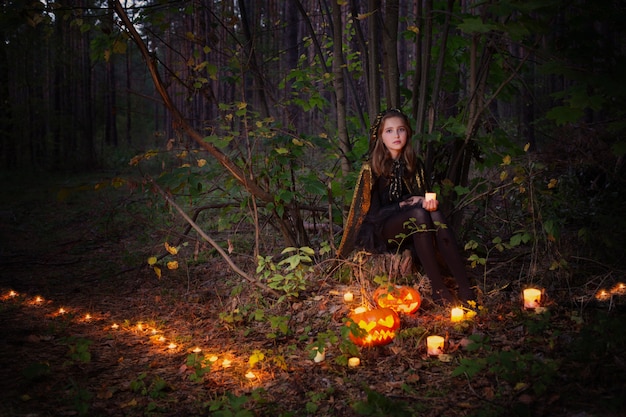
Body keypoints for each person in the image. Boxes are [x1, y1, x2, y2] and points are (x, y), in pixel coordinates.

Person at [337, 108, 474, 304]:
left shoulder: (413, 164)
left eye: (400, 129)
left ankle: (465, 287)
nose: (396, 135)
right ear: (380, 136)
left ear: (407, 133)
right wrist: (404, 204)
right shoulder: (371, 168)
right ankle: (438, 288)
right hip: (380, 231)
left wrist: (430, 202)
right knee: (418, 213)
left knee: (432, 213)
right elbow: (371, 215)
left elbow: (424, 195)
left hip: (414, 226)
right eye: (389, 131)